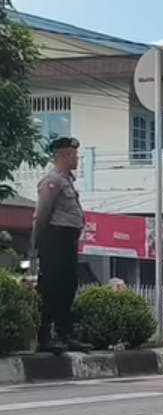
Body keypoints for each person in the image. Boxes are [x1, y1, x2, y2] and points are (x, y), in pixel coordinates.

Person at [31, 137, 90, 352]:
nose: (76, 159)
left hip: (66, 241)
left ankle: (66, 335)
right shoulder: (52, 180)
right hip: (53, 239)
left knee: (68, 287)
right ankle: (45, 338)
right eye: (73, 155)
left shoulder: (67, 181)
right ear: (63, 156)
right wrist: (37, 241)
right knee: (51, 289)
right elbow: (42, 213)